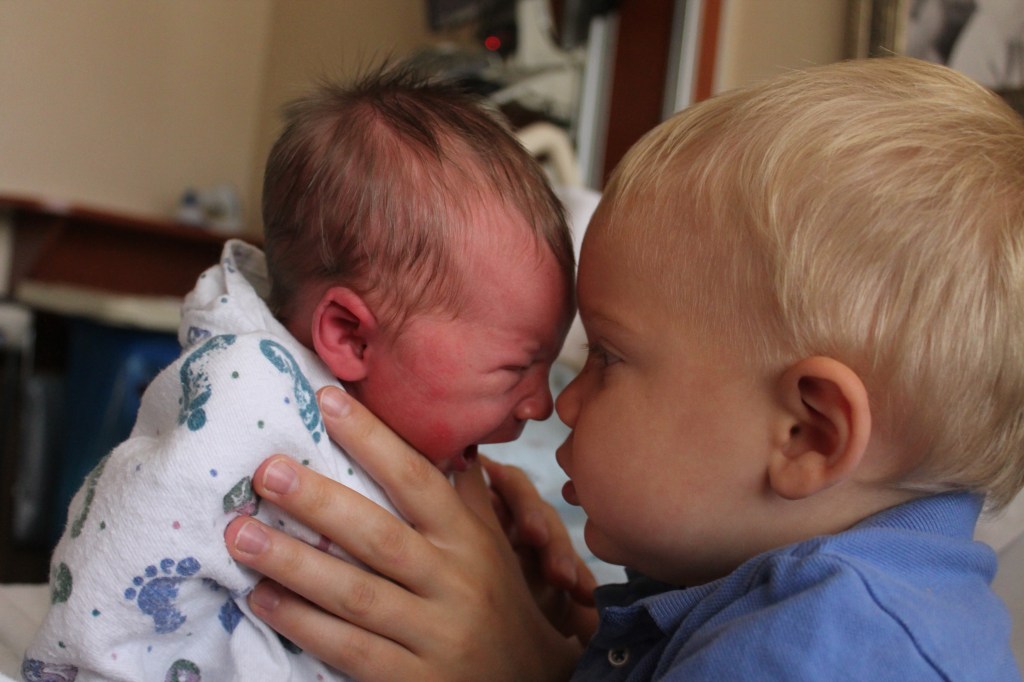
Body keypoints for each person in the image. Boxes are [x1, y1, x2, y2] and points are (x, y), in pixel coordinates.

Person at [225, 56, 1024, 681]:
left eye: (606, 356)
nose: (559, 407)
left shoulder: (831, 651)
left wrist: (513, 672)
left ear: (806, 431)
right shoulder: (790, 586)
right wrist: (566, 640)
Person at [22, 64, 580, 681]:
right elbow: (125, 546)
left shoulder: (412, 426)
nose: (541, 404)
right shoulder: (251, 394)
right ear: (349, 335)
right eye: (516, 369)